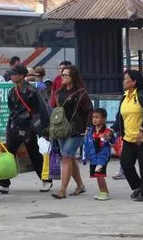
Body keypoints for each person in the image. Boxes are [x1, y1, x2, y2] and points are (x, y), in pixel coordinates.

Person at [0, 65, 53, 194]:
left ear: (22, 75)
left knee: (34, 154)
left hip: (28, 127)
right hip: (15, 127)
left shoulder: (32, 91)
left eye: (14, 74)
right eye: (11, 74)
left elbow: (42, 110)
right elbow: (11, 110)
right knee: (8, 154)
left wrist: (45, 129)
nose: (11, 76)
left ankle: (46, 180)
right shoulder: (12, 92)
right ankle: (4, 184)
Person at [112, 70, 143, 202]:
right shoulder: (125, 96)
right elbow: (120, 117)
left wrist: (142, 130)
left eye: (126, 79)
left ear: (134, 81)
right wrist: (113, 129)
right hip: (129, 137)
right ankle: (138, 186)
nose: (124, 81)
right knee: (126, 163)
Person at [50, 65, 93, 199]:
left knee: (67, 156)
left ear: (73, 77)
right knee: (69, 157)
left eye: (65, 75)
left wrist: (88, 127)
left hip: (76, 129)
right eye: (61, 75)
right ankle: (80, 185)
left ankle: (62, 190)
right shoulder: (59, 92)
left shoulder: (81, 93)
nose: (62, 77)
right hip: (61, 129)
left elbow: (89, 111)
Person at [83, 108, 115, 201]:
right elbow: (86, 143)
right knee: (96, 175)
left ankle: (105, 192)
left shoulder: (107, 131)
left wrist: (109, 138)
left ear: (104, 119)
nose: (94, 119)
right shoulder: (90, 131)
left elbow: (113, 141)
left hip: (102, 156)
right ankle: (102, 191)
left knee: (99, 174)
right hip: (93, 157)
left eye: (97, 117)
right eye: (93, 117)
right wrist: (85, 156)